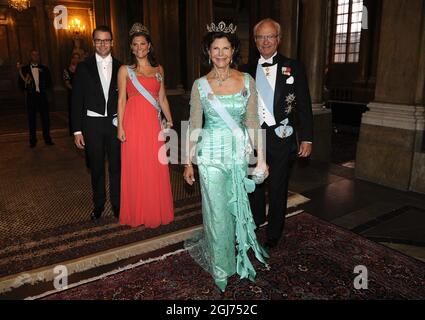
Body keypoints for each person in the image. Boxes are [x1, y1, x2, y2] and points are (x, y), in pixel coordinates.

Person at [183, 22, 269, 292]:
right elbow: (194, 124)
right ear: (208, 52)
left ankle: (236, 255)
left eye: (225, 48)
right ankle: (222, 267)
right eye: (215, 48)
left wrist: (262, 158)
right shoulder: (200, 85)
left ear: (233, 52)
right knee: (217, 212)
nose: (220, 54)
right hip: (210, 156)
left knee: (236, 210)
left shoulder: (247, 81)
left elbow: (253, 121)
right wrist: (188, 161)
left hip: (237, 155)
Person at [245, 18, 313, 249]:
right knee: (254, 183)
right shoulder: (244, 70)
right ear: (255, 41)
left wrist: (307, 137)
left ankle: (274, 232)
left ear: (278, 40)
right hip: (253, 137)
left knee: (278, 186)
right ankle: (254, 221)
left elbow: (304, 104)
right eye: (260, 37)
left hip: (281, 136)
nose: (265, 41)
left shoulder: (294, 67)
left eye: (270, 36)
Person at [117, 23, 174, 228]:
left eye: (143, 43)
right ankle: (137, 212)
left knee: (154, 165)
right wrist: (120, 127)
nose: (139, 47)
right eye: (135, 44)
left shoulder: (159, 70)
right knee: (136, 165)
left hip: (153, 124)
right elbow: (121, 100)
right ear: (131, 48)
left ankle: (154, 210)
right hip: (132, 123)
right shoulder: (125, 70)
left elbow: (162, 98)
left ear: (149, 46)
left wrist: (170, 119)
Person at [72, 25, 122, 220]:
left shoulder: (121, 67)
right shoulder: (83, 67)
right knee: (97, 167)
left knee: (117, 167)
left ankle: (118, 204)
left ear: (112, 42)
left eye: (106, 40)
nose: (103, 44)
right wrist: (77, 130)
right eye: (99, 40)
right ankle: (99, 205)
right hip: (91, 125)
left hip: (115, 124)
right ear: (93, 43)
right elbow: (76, 100)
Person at [18, 50, 54, 148]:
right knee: (31, 119)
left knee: (46, 119)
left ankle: (47, 139)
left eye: (37, 54)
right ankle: (32, 140)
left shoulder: (44, 68)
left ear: (39, 56)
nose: (35, 56)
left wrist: (43, 88)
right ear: (30, 56)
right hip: (31, 96)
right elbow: (21, 85)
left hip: (42, 96)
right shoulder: (24, 69)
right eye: (33, 54)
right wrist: (27, 86)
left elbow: (50, 82)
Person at [63, 52, 81, 136]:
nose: (76, 59)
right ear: (72, 59)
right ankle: (73, 131)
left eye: (78, 58)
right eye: (75, 58)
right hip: (72, 94)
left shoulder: (82, 69)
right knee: (72, 112)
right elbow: (67, 83)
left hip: (81, 94)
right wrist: (75, 91)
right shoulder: (66, 70)